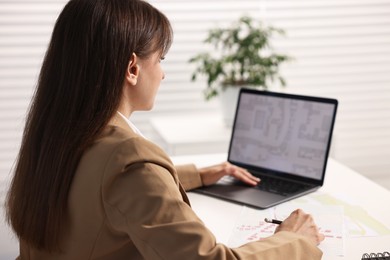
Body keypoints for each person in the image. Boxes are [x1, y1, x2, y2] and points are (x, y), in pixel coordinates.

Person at [5, 0, 324, 259]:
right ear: (132, 68)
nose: (163, 74)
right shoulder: (129, 159)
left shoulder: (55, 135)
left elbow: (101, 187)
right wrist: (293, 241)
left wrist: (194, 175)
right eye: (160, 59)